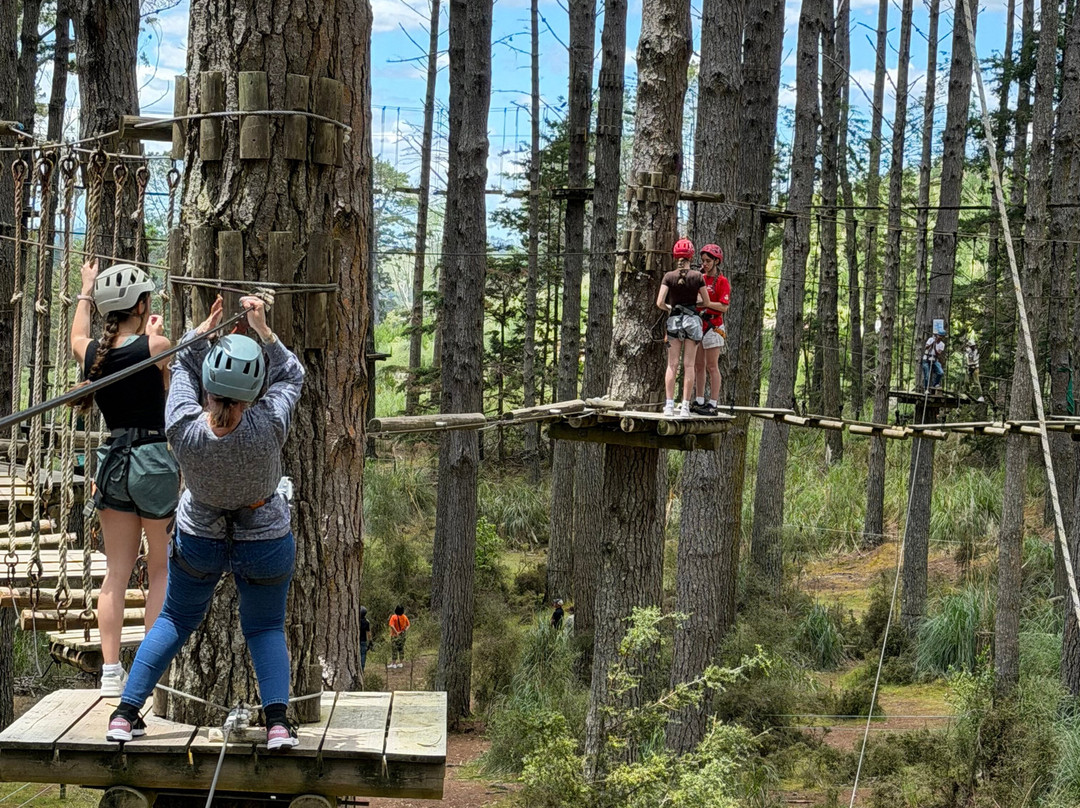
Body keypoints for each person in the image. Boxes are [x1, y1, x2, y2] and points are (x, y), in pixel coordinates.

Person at [105, 295, 306, 751]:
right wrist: (263, 330)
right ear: (253, 394)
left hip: (200, 534)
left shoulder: (180, 423)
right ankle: (277, 724)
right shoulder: (271, 421)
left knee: (175, 618)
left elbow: (180, 368)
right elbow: (292, 374)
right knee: (265, 627)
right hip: (265, 534)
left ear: (208, 390)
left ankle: (124, 714)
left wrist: (201, 333)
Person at [70, 259, 177, 698]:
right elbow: (171, 392)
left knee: (115, 573)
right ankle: (148, 672)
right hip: (152, 459)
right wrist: (155, 337)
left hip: (112, 461)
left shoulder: (94, 354)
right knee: (159, 570)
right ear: (143, 304)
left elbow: (77, 337)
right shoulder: (157, 346)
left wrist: (85, 288)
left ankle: (110, 671)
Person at [657, 238, 712, 418]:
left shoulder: (668, 276)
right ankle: (686, 407)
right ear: (691, 256)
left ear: (676, 256)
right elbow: (707, 302)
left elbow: (659, 302)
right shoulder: (698, 277)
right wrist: (695, 304)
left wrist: (671, 308)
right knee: (689, 365)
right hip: (693, 321)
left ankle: (669, 405)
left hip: (674, 321)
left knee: (672, 365)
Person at [691, 243, 731, 415]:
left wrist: (707, 303)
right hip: (699, 324)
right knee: (698, 365)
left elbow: (724, 306)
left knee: (712, 366)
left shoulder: (721, 281)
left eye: (708, 261)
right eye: (703, 261)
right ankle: (699, 399)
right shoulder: (699, 278)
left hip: (714, 325)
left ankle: (713, 403)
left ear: (716, 261)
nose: (705, 264)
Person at [964, 338, 985, 402]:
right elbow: (966, 357)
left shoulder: (976, 352)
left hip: (975, 368)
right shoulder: (968, 351)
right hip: (968, 368)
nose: (973, 347)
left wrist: (971, 364)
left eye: (973, 346)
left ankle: (981, 396)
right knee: (966, 381)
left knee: (976, 382)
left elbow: (975, 360)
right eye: (971, 346)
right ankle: (967, 393)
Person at [359, 606, 372, 672]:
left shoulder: (356, 621)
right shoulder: (367, 622)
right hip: (363, 641)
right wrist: (370, 642)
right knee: (363, 655)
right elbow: (368, 633)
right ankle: (362, 669)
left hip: (356, 641)